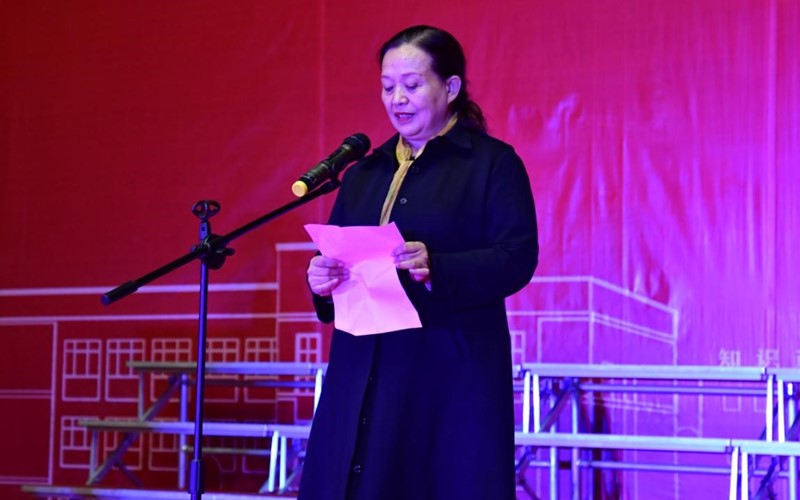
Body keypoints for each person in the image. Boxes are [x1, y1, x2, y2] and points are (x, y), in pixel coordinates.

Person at [299, 25, 538, 500]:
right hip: (362, 368)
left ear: (450, 88)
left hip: (447, 372)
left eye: (411, 85)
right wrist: (322, 279)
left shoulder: (491, 163)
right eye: (388, 87)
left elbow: (517, 257)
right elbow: (338, 255)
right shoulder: (364, 171)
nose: (397, 99)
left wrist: (439, 267)